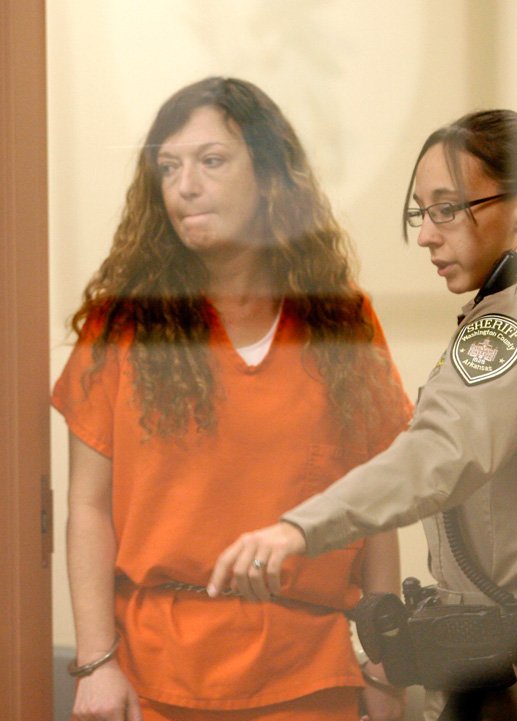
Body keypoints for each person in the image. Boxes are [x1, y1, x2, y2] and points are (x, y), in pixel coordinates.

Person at [208, 109, 517, 721]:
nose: (427, 234)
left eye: (447, 208)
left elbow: (435, 454)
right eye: (423, 212)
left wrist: (298, 529)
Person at [52, 77, 413, 721]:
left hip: (309, 672)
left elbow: (377, 502)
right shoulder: (121, 324)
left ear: (270, 174)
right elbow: (86, 508)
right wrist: (96, 663)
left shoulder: (342, 319)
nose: (184, 185)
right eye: (168, 167)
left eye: (211, 161)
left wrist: (386, 662)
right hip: (153, 671)